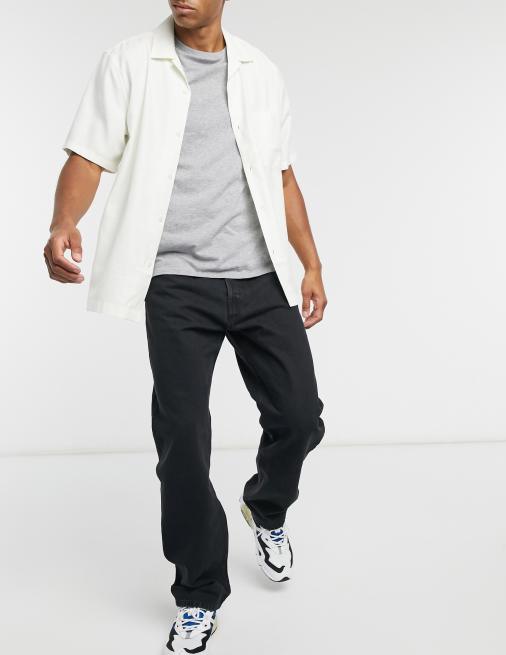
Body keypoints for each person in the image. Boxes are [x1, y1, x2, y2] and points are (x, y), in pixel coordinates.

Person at [44, 1, 327, 653]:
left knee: (299, 416)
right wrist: (63, 223)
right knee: (182, 441)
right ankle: (199, 592)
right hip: (175, 283)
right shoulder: (127, 63)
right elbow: (87, 156)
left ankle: (266, 504)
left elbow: (282, 175)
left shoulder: (260, 71)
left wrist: (310, 262)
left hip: (261, 276)